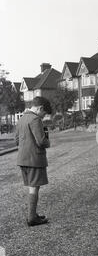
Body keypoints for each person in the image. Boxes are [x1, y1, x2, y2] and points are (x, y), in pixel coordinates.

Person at [15, 96, 52, 226]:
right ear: (40, 108)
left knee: (32, 187)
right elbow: (41, 141)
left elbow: (16, 141)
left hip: (22, 159)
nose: (43, 117)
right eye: (44, 113)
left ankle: (33, 214)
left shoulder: (21, 119)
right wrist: (48, 141)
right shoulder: (35, 119)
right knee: (34, 188)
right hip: (34, 159)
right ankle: (32, 218)